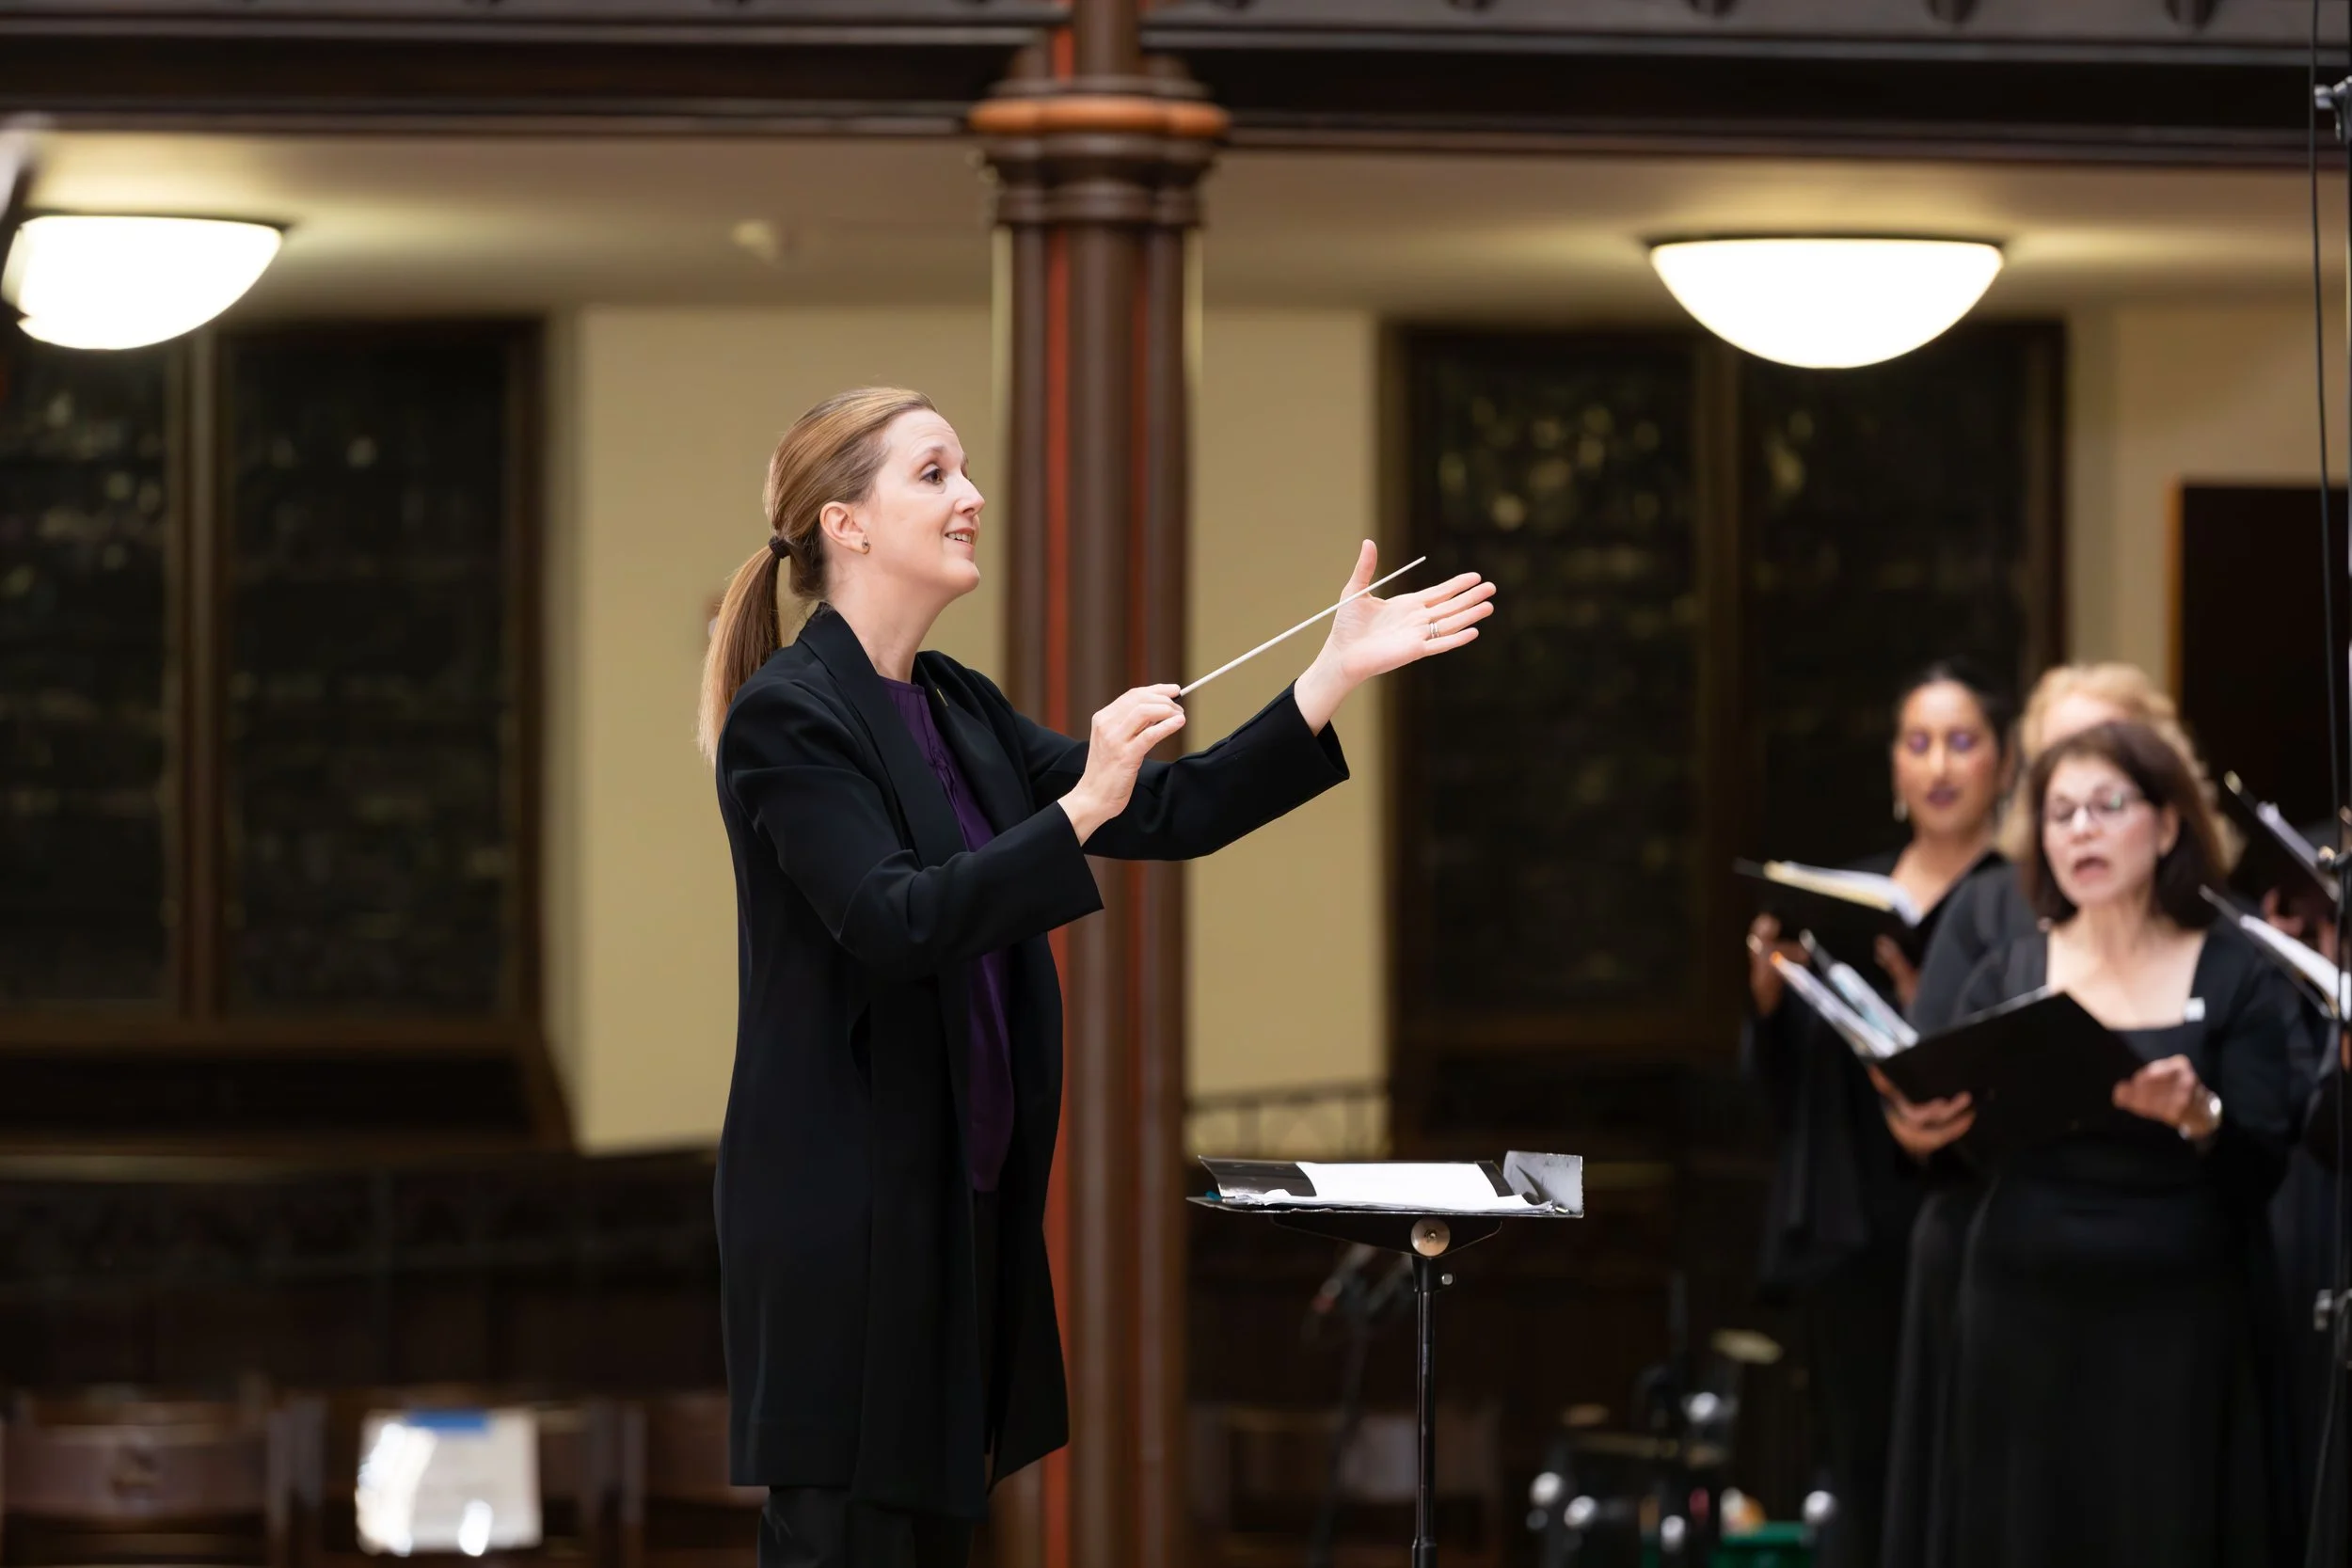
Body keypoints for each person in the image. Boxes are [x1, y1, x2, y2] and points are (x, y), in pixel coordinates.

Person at [697, 388, 1496, 1568]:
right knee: (844, 1538)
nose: (972, 497)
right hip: (846, 1213)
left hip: (954, 1201)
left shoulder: (956, 703)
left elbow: (1174, 809)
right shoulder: (788, 717)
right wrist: (1076, 805)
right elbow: (892, 918)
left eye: (964, 470)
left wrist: (1329, 674)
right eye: (933, 473)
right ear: (844, 522)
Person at [1877, 721, 2305, 1568]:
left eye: (2108, 806)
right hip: (2023, 1312)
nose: (2081, 830)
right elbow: (1966, 1155)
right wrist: (1927, 1129)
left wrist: (2200, 1116)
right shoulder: (2008, 972)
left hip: (2178, 1320)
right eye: (2061, 812)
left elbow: (2267, 1163)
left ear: (2168, 824)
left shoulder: (2236, 972)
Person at [1739, 660, 2010, 1568]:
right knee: (1861, 1465)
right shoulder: (1850, 894)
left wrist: (1936, 1007)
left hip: (1975, 1208)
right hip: (1852, 1211)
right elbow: (1785, 1085)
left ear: (2004, 763)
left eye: (1962, 741)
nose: (1939, 764)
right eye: (1918, 742)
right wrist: (1768, 999)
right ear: (1895, 766)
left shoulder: (2022, 894)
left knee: (1972, 1458)